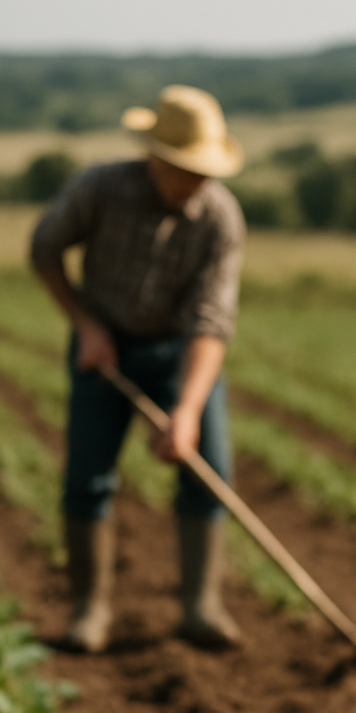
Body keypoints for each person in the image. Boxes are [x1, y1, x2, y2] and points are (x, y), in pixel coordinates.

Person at [30, 84, 246, 651]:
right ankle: (89, 610)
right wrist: (85, 325)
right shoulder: (99, 189)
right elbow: (43, 249)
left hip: (180, 350)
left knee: (208, 472)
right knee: (87, 479)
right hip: (104, 350)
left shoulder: (220, 218)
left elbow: (210, 321)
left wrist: (187, 409)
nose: (198, 180)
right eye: (186, 168)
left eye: (204, 169)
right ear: (156, 156)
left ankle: (201, 607)